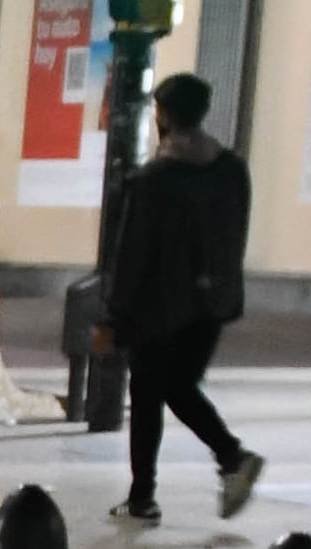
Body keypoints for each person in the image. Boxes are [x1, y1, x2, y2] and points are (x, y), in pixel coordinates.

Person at [105, 71, 260, 525]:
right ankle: (230, 459)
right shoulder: (232, 169)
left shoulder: (156, 177)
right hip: (210, 305)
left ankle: (145, 496)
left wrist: (114, 312)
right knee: (179, 386)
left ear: (165, 116)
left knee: (149, 397)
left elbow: (133, 251)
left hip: (158, 307)